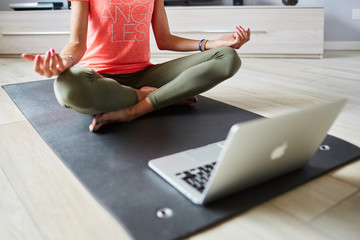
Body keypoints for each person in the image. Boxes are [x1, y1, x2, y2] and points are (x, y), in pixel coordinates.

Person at [22, 0, 250, 132]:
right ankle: (162, 97)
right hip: (99, 78)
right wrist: (65, 61)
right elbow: (77, 43)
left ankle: (139, 106)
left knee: (227, 57)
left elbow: (165, 39)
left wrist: (211, 43)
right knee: (66, 88)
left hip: (145, 74)